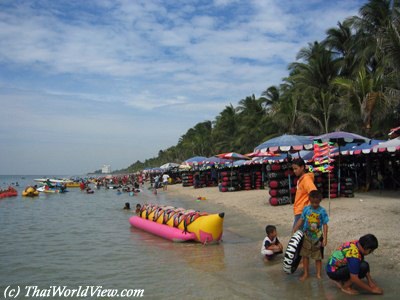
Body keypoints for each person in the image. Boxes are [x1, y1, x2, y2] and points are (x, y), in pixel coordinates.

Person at [293, 190, 329, 280]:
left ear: (320, 201)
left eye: (316, 203)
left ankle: (318, 274)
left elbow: (325, 224)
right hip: (306, 236)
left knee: (318, 257)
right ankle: (306, 273)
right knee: (305, 255)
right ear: (309, 200)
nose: (314, 204)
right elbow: (301, 219)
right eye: (312, 202)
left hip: (318, 237)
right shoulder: (306, 209)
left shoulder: (322, 211)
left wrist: (325, 238)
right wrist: (295, 228)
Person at [292, 158, 317, 229]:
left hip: (302, 211)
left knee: (296, 235)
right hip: (300, 211)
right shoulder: (302, 179)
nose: (294, 171)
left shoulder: (306, 179)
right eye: (293, 169)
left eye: (296, 169)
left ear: (302, 167)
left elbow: (314, 193)